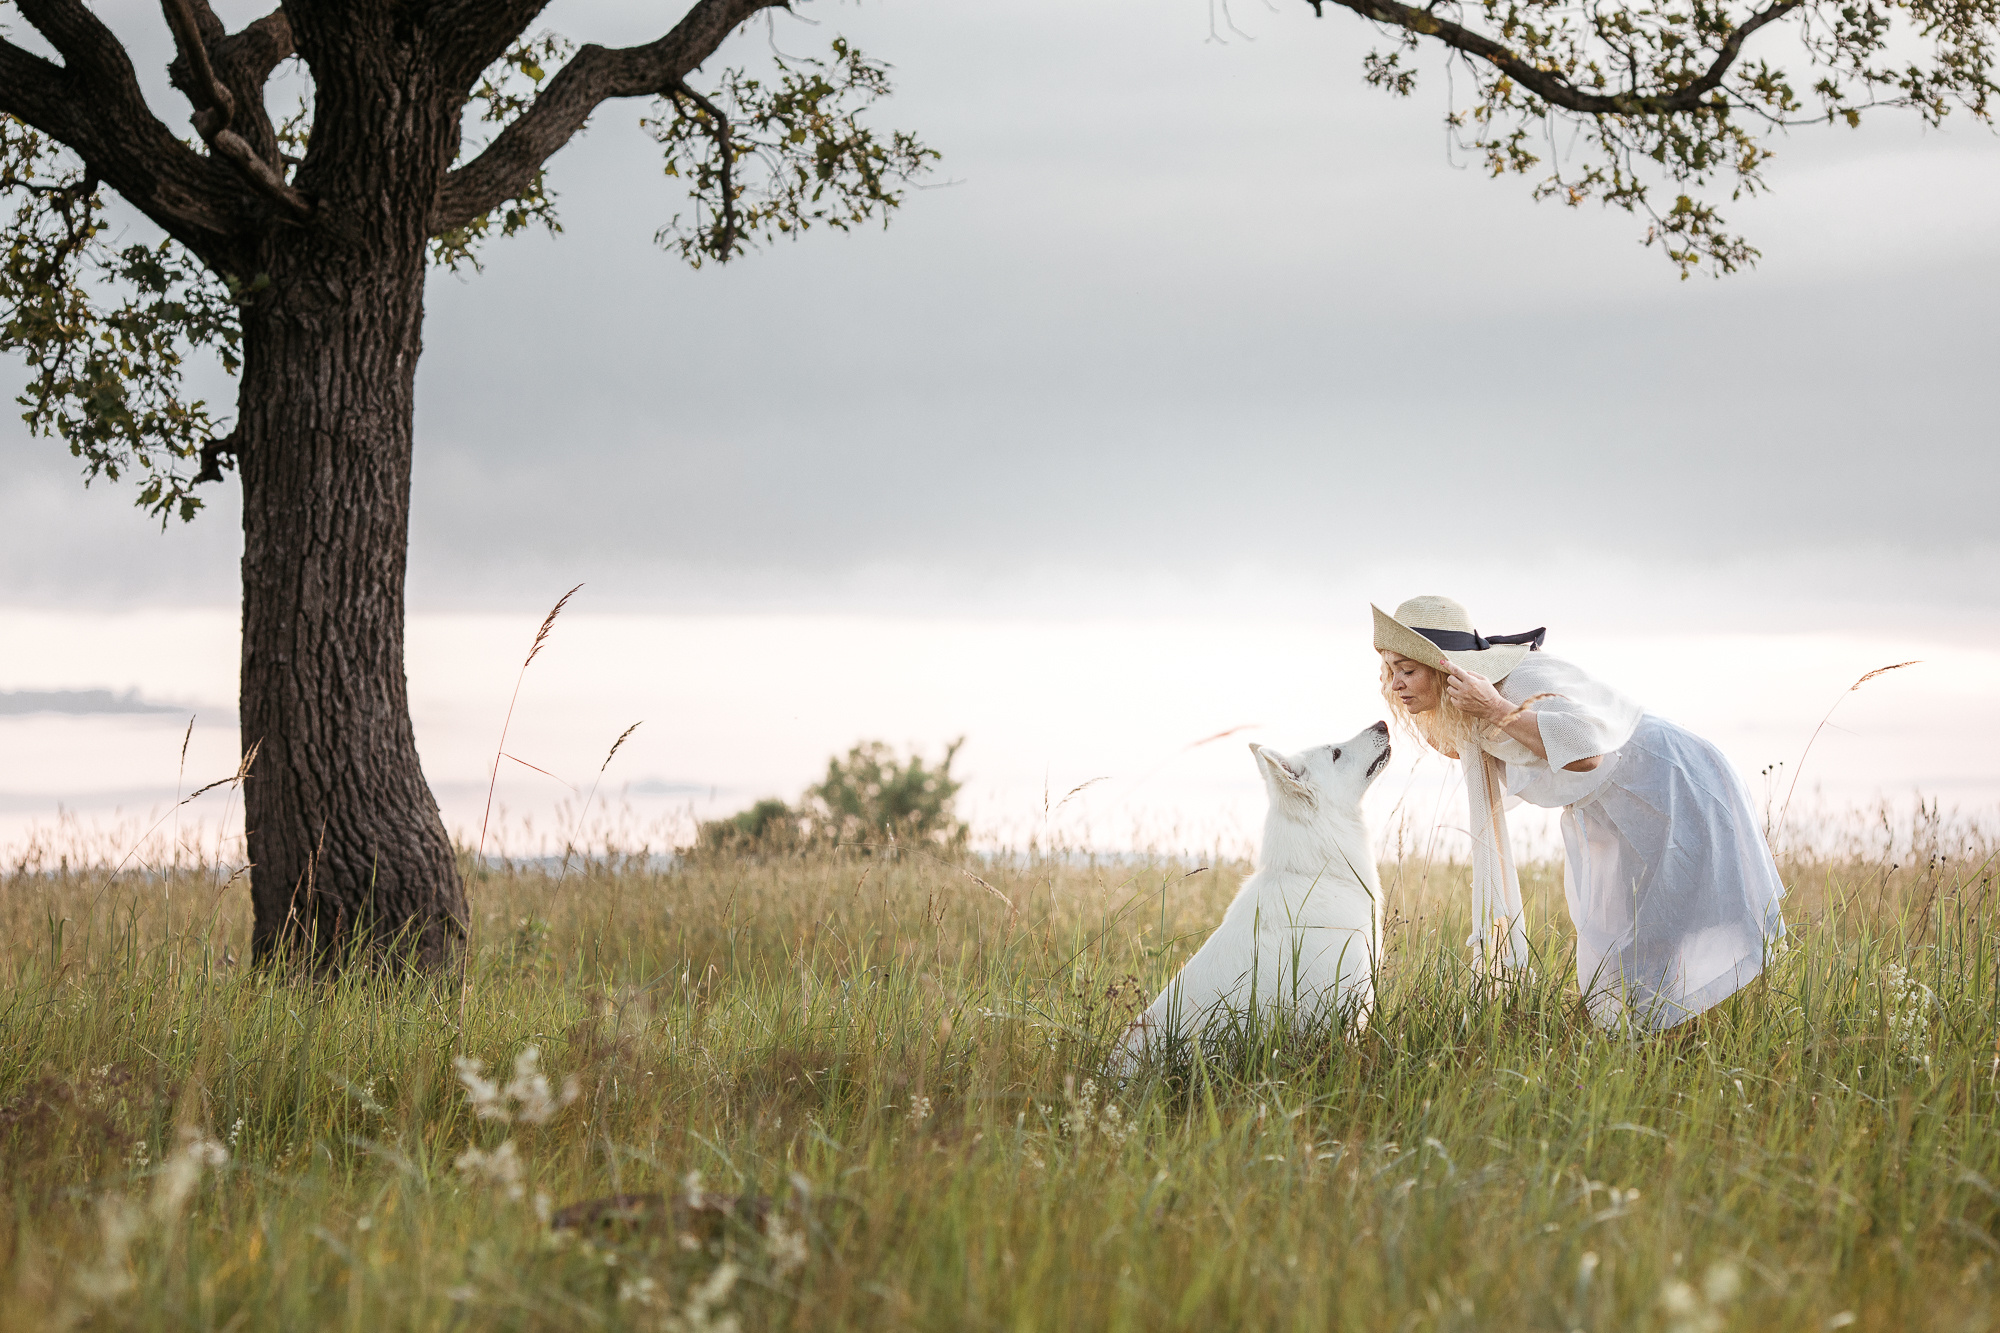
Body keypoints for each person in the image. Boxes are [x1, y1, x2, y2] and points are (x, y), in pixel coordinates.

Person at [1372, 595, 1786, 1029]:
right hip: (1607, 807)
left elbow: (1587, 754)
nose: (1396, 683)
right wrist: (1440, 708)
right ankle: (1643, 1046)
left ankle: (1675, 1044)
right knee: (1612, 944)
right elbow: (1465, 748)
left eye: (1409, 670)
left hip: (1667, 782)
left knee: (1659, 933)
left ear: (1443, 666)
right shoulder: (1466, 704)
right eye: (1391, 670)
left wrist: (1496, 709)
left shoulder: (1514, 684)